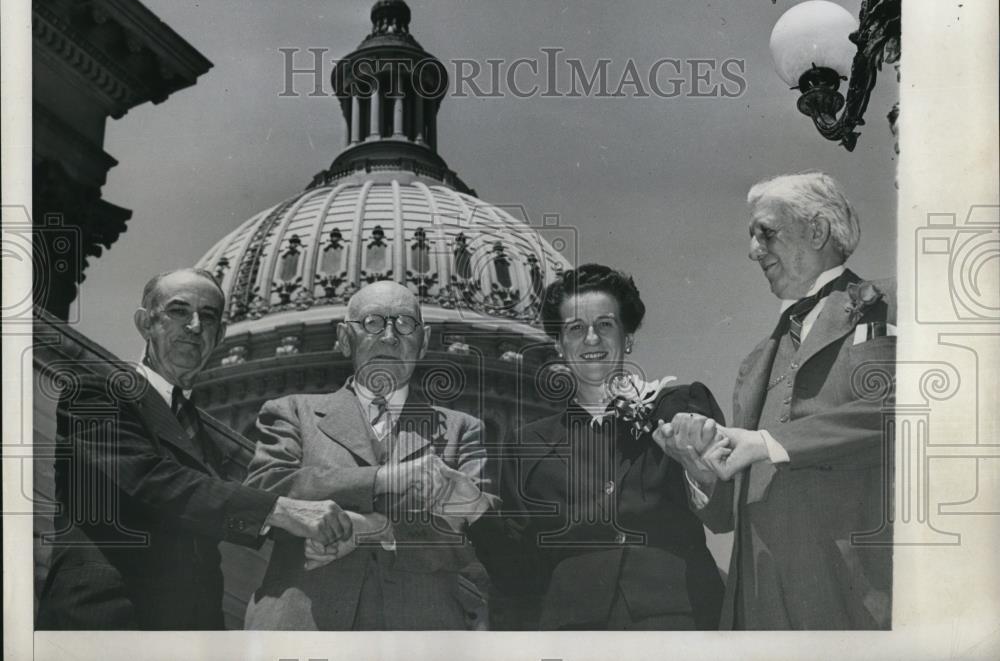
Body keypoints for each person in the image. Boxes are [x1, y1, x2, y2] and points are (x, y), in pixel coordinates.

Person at [36, 268, 353, 630]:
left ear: (219, 336)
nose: (194, 325)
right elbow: (151, 481)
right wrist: (283, 510)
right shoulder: (97, 393)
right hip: (105, 626)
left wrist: (333, 528)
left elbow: (209, 514)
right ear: (145, 323)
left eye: (209, 317)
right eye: (178, 311)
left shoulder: (199, 435)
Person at [657, 171, 895, 629]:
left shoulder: (890, 302)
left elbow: (896, 411)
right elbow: (725, 518)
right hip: (756, 604)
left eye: (765, 233)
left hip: (854, 593)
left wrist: (765, 443)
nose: (752, 251)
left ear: (817, 230)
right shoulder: (752, 365)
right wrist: (700, 468)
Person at [468, 264, 727, 630]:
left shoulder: (679, 408)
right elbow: (518, 577)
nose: (591, 339)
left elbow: (727, 512)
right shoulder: (527, 446)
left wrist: (703, 472)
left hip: (680, 621)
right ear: (559, 346)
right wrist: (475, 511)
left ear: (628, 338)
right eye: (575, 328)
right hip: (574, 632)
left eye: (605, 324)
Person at [242, 280, 495, 630]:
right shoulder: (292, 412)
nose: (390, 337)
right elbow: (261, 491)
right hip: (301, 629)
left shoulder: (462, 430)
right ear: (345, 338)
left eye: (405, 324)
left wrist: (375, 529)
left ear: (423, 342)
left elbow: (478, 533)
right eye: (373, 322)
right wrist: (379, 480)